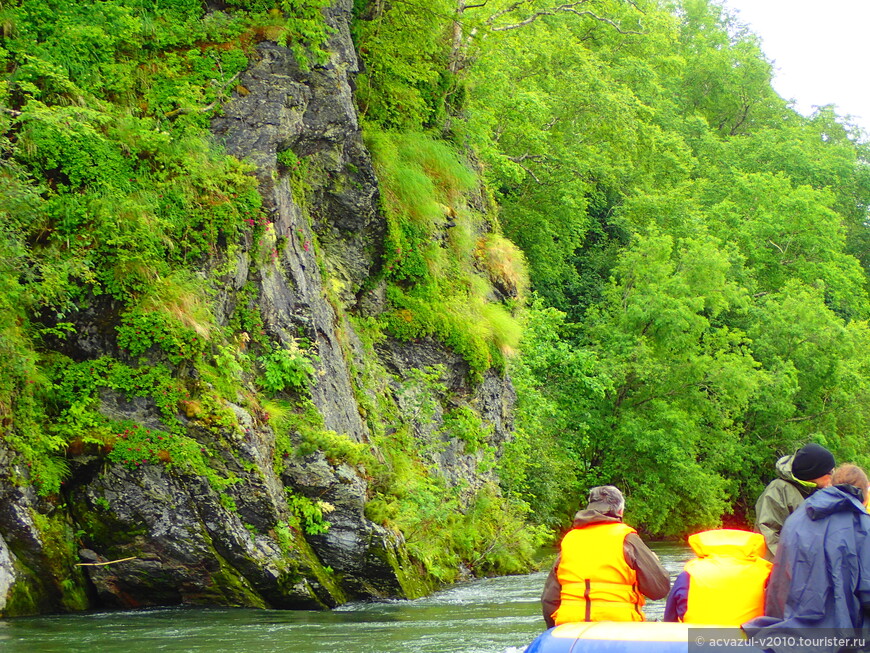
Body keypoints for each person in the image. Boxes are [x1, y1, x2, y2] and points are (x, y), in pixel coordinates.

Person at [743, 464, 870, 653]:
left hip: (788, 631)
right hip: (839, 638)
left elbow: (780, 581)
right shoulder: (862, 524)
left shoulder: (796, 518)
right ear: (862, 491)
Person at [541, 485, 670, 627]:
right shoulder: (627, 539)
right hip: (618, 629)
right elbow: (659, 590)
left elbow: (549, 600)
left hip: (571, 629)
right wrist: (653, 563)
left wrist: (553, 631)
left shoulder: (569, 540)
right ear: (620, 511)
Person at [663, 529, 772, 625]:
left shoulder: (688, 574)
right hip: (750, 644)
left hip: (698, 643)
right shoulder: (766, 572)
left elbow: (669, 620)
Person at [754, 443, 835, 559]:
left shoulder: (821, 492)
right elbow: (767, 537)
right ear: (814, 473)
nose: (834, 476)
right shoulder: (779, 490)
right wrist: (791, 569)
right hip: (786, 569)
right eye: (830, 472)